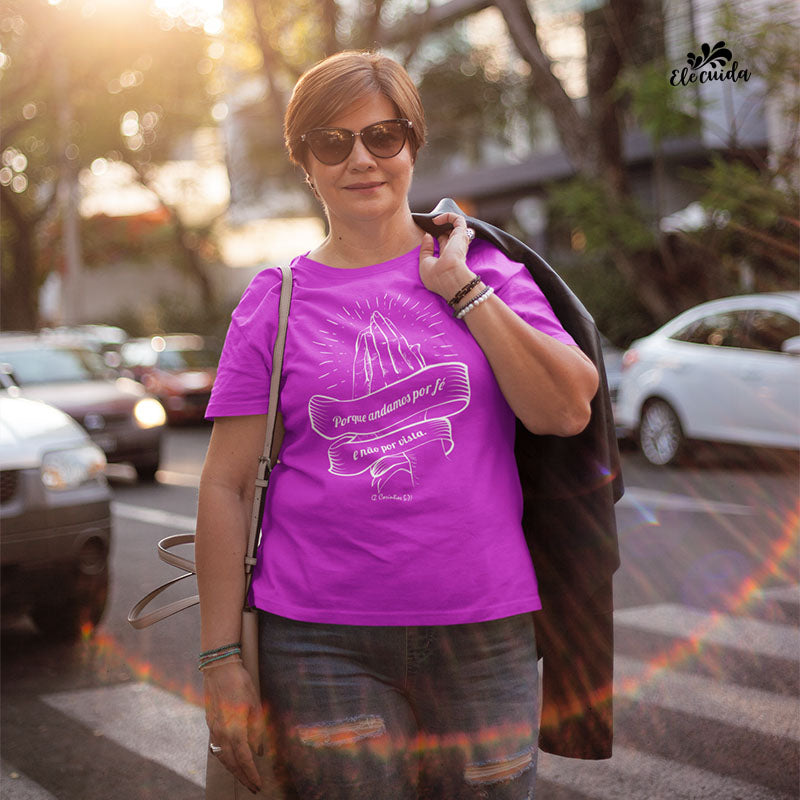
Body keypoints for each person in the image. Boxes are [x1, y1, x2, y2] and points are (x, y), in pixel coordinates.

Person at [195, 50, 600, 800]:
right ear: (304, 161)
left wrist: (464, 291)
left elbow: (566, 409)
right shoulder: (275, 299)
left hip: (484, 629)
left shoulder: (488, 271)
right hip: (319, 640)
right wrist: (220, 658)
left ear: (412, 142)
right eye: (332, 141)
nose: (361, 158)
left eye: (383, 135)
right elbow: (223, 485)